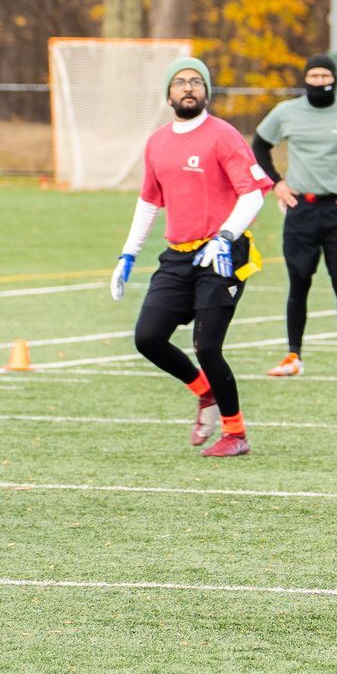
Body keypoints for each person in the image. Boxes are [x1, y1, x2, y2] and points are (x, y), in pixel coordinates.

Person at [109, 56, 270, 459]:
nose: (188, 88)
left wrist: (225, 236)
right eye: (180, 82)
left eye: (196, 82)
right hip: (178, 257)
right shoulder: (157, 142)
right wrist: (127, 255)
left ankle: (236, 433)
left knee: (207, 346)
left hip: (222, 255)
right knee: (148, 338)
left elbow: (252, 192)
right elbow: (149, 202)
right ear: (168, 94)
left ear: (206, 92)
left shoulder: (223, 135)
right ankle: (205, 393)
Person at [251, 55, 337, 379]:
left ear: (334, 78)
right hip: (301, 209)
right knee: (298, 283)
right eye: (313, 75)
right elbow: (259, 145)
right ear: (305, 79)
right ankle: (293, 356)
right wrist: (276, 183)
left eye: (324, 75)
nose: (318, 81)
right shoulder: (287, 112)